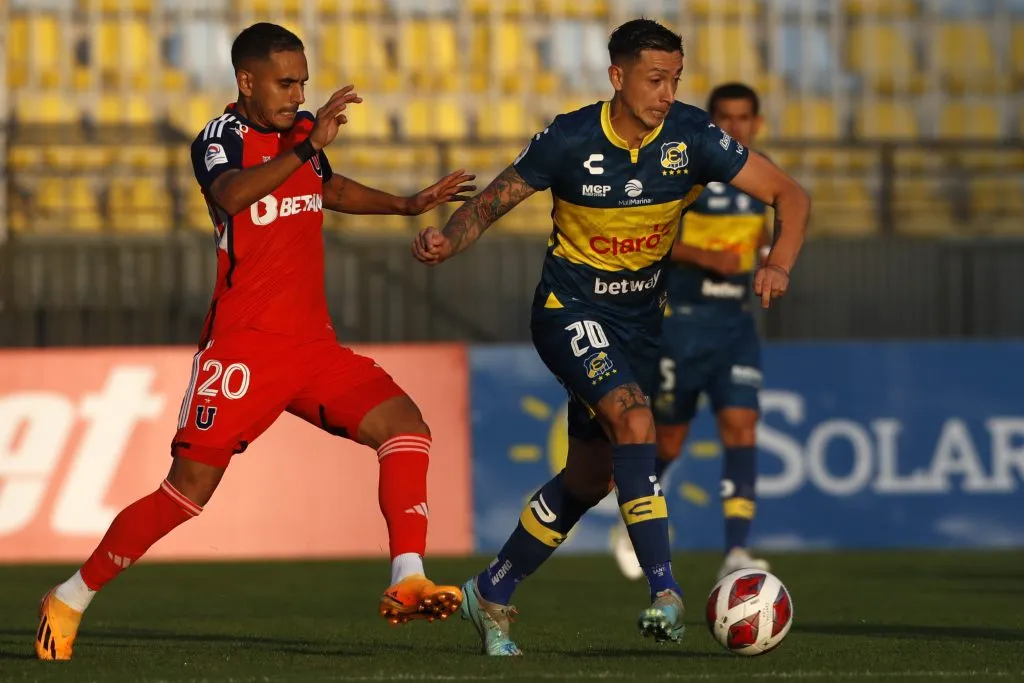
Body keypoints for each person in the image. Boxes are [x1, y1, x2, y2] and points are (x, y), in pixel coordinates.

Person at [34, 22, 476, 661]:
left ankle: (406, 577)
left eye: (302, 81)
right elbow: (232, 194)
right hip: (242, 350)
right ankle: (70, 596)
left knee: (407, 427)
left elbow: (326, 188)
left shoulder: (299, 141)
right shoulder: (221, 139)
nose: (298, 94)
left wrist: (407, 206)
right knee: (185, 494)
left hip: (313, 348)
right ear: (247, 81)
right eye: (285, 82)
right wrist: (304, 147)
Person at [412, 19, 809, 656]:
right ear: (617, 77)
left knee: (590, 478)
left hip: (639, 325)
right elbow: (488, 205)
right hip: (567, 310)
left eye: (676, 79)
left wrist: (779, 262)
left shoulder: (690, 136)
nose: (666, 92)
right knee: (634, 420)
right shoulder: (569, 138)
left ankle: (489, 593)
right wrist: (446, 240)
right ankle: (665, 590)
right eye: (655, 79)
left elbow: (789, 194)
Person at [612, 82, 775, 582]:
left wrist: (766, 258)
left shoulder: (756, 177)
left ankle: (737, 551)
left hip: (735, 325)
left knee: (741, 427)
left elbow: (760, 236)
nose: (734, 127)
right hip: (682, 322)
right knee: (672, 441)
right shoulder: (687, 172)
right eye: (724, 118)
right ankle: (633, 522)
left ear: (756, 123)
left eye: (743, 118)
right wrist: (707, 256)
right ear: (711, 121)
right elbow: (650, 237)